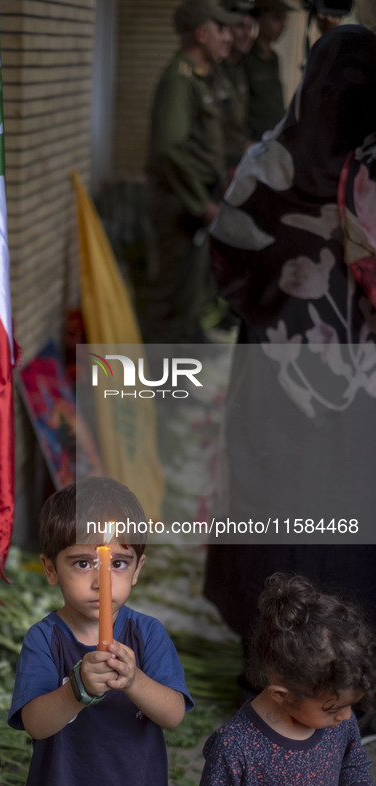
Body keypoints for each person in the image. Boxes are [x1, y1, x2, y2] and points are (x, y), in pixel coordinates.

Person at [202, 25, 376, 685]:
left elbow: (225, 258)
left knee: (276, 513)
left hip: (278, 382)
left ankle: (272, 672)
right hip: (360, 392)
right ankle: (347, 687)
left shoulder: (268, 162)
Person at [8, 477, 193, 786]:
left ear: (138, 569)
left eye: (118, 563)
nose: (100, 580)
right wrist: (78, 690)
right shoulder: (44, 639)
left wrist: (134, 681)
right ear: (49, 569)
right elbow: (36, 724)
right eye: (82, 562)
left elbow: (174, 714)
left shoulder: (148, 635)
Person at [192, 572, 376, 786]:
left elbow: (353, 763)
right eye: (334, 708)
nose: (346, 717)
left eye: (352, 706)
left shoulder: (336, 724)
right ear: (282, 694)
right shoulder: (235, 746)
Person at [143, 0, 238, 343]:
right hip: (179, 204)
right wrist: (201, 203)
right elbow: (170, 147)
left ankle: (181, 370)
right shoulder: (180, 79)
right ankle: (158, 387)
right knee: (170, 295)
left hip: (194, 203)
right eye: (220, 28)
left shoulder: (203, 77)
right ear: (201, 32)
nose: (226, 36)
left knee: (189, 293)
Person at [215, 0, 257, 171]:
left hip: (237, 161)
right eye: (240, 26)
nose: (247, 34)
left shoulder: (239, 69)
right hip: (219, 163)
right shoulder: (214, 69)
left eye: (250, 28)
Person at [243, 0, 295, 141]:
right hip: (255, 141)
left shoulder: (274, 58)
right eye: (276, 18)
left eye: (284, 19)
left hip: (274, 137)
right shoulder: (247, 58)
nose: (282, 26)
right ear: (260, 18)